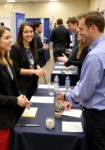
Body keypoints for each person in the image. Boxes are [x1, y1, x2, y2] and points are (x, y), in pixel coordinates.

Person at [57, 11, 105, 150]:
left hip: (97, 116)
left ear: (93, 28)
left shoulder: (95, 56)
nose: (79, 33)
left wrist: (68, 96)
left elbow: (85, 91)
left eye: (82, 29)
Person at [0, 26, 30, 150]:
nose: (10, 41)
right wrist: (16, 101)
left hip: (8, 115)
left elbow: (12, 85)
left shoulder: (6, 59)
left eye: (10, 37)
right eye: (6, 38)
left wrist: (19, 95)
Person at [10, 22, 46, 100]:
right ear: (21, 34)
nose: (29, 34)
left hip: (33, 82)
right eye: (26, 32)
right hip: (21, 84)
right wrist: (33, 71)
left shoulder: (33, 46)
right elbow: (16, 70)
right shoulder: (15, 48)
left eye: (31, 31)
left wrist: (39, 69)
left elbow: (35, 63)